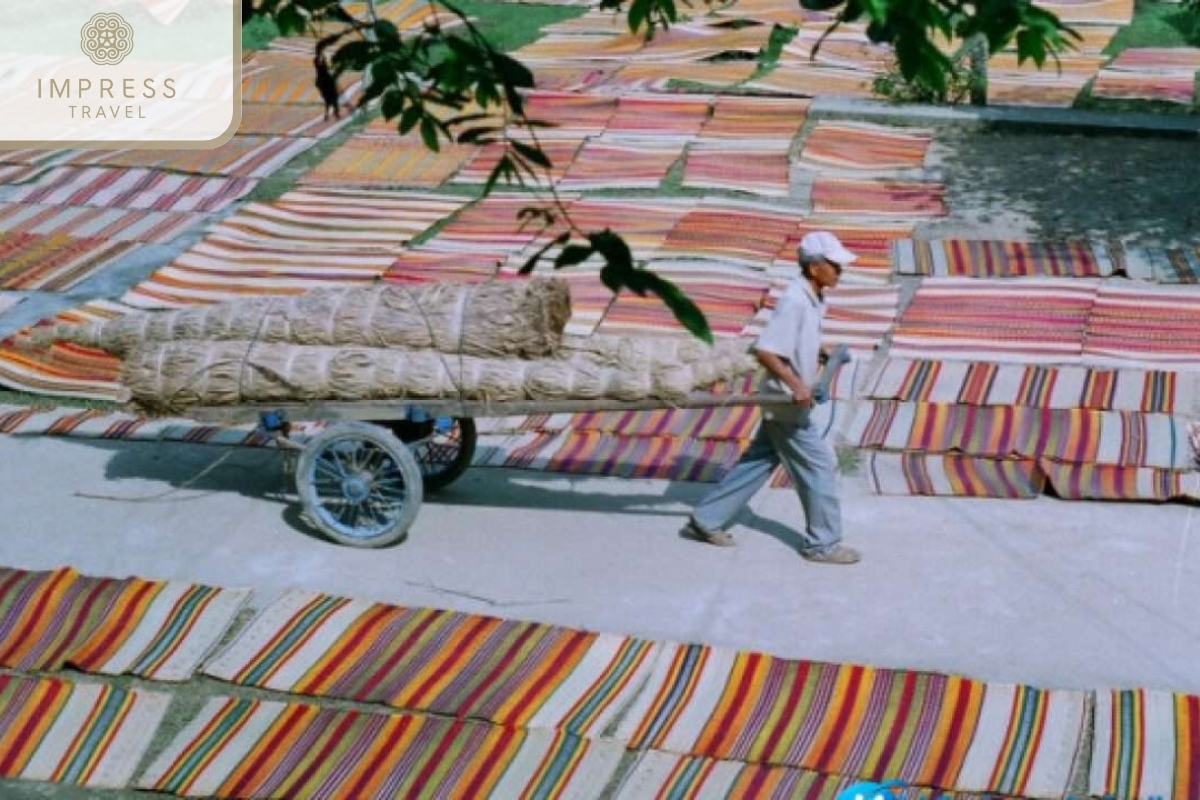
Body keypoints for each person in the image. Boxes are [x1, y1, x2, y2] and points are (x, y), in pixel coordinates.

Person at [685, 230, 860, 565]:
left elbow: (793, 342)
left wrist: (819, 352)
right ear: (814, 268)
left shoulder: (814, 296)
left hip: (786, 400)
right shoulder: (795, 300)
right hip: (785, 403)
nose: (841, 271)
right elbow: (766, 350)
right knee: (820, 466)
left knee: (760, 460)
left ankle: (706, 519)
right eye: (835, 265)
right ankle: (822, 544)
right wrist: (796, 384)